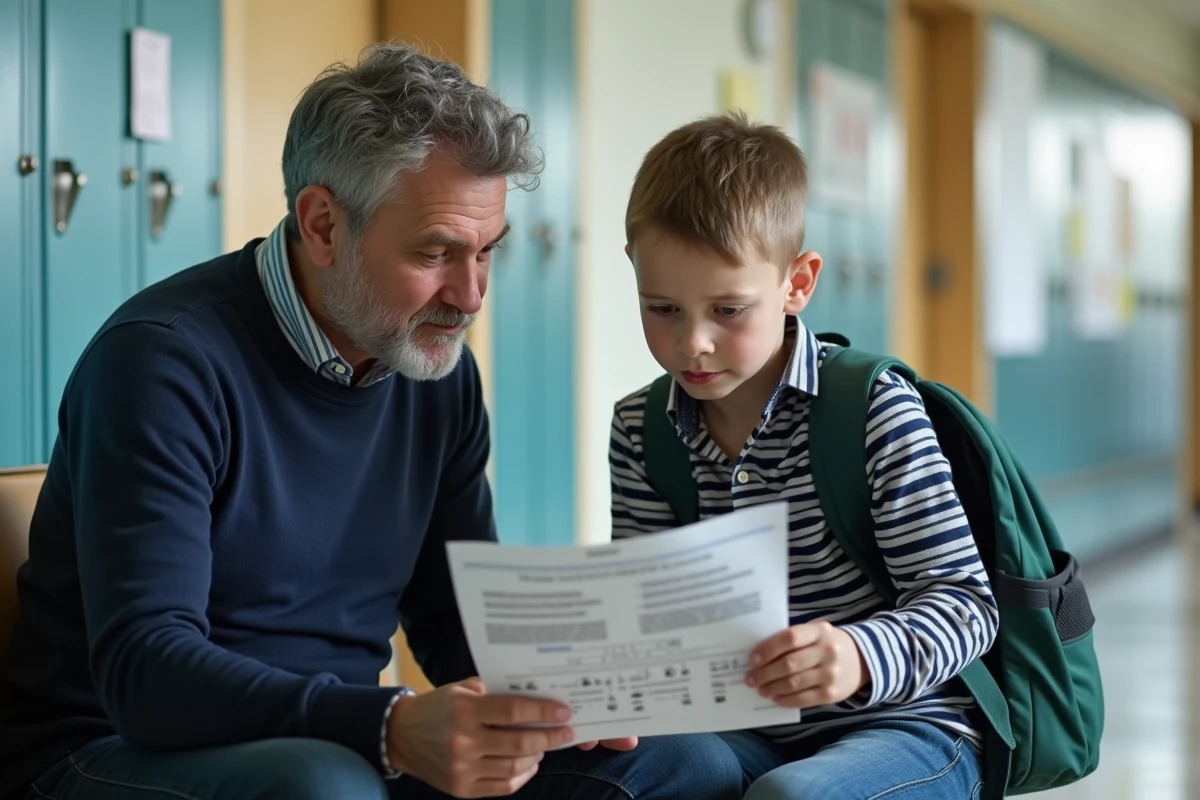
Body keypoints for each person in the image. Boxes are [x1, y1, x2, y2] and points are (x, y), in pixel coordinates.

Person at [0, 44, 744, 800]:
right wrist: (390, 727)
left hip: (347, 748)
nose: (471, 294)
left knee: (685, 765)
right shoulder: (161, 365)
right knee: (323, 787)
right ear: (322, 224)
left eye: (489, 252)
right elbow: (145, 672)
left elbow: (453, 621)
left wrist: (556, 702)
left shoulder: (435, 373)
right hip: (115, 754)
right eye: (437, 252)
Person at [607, 112, 1000, 799]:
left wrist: (856, 656)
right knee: (630, 769)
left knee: (794, 797)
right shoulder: (642, 428)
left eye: (728, 310)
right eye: (662, 308)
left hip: (905, 724)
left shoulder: (872, 409)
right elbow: (656, 622)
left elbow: (967, 605)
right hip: (740, 728)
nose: (692, 343)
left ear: (798, 283)